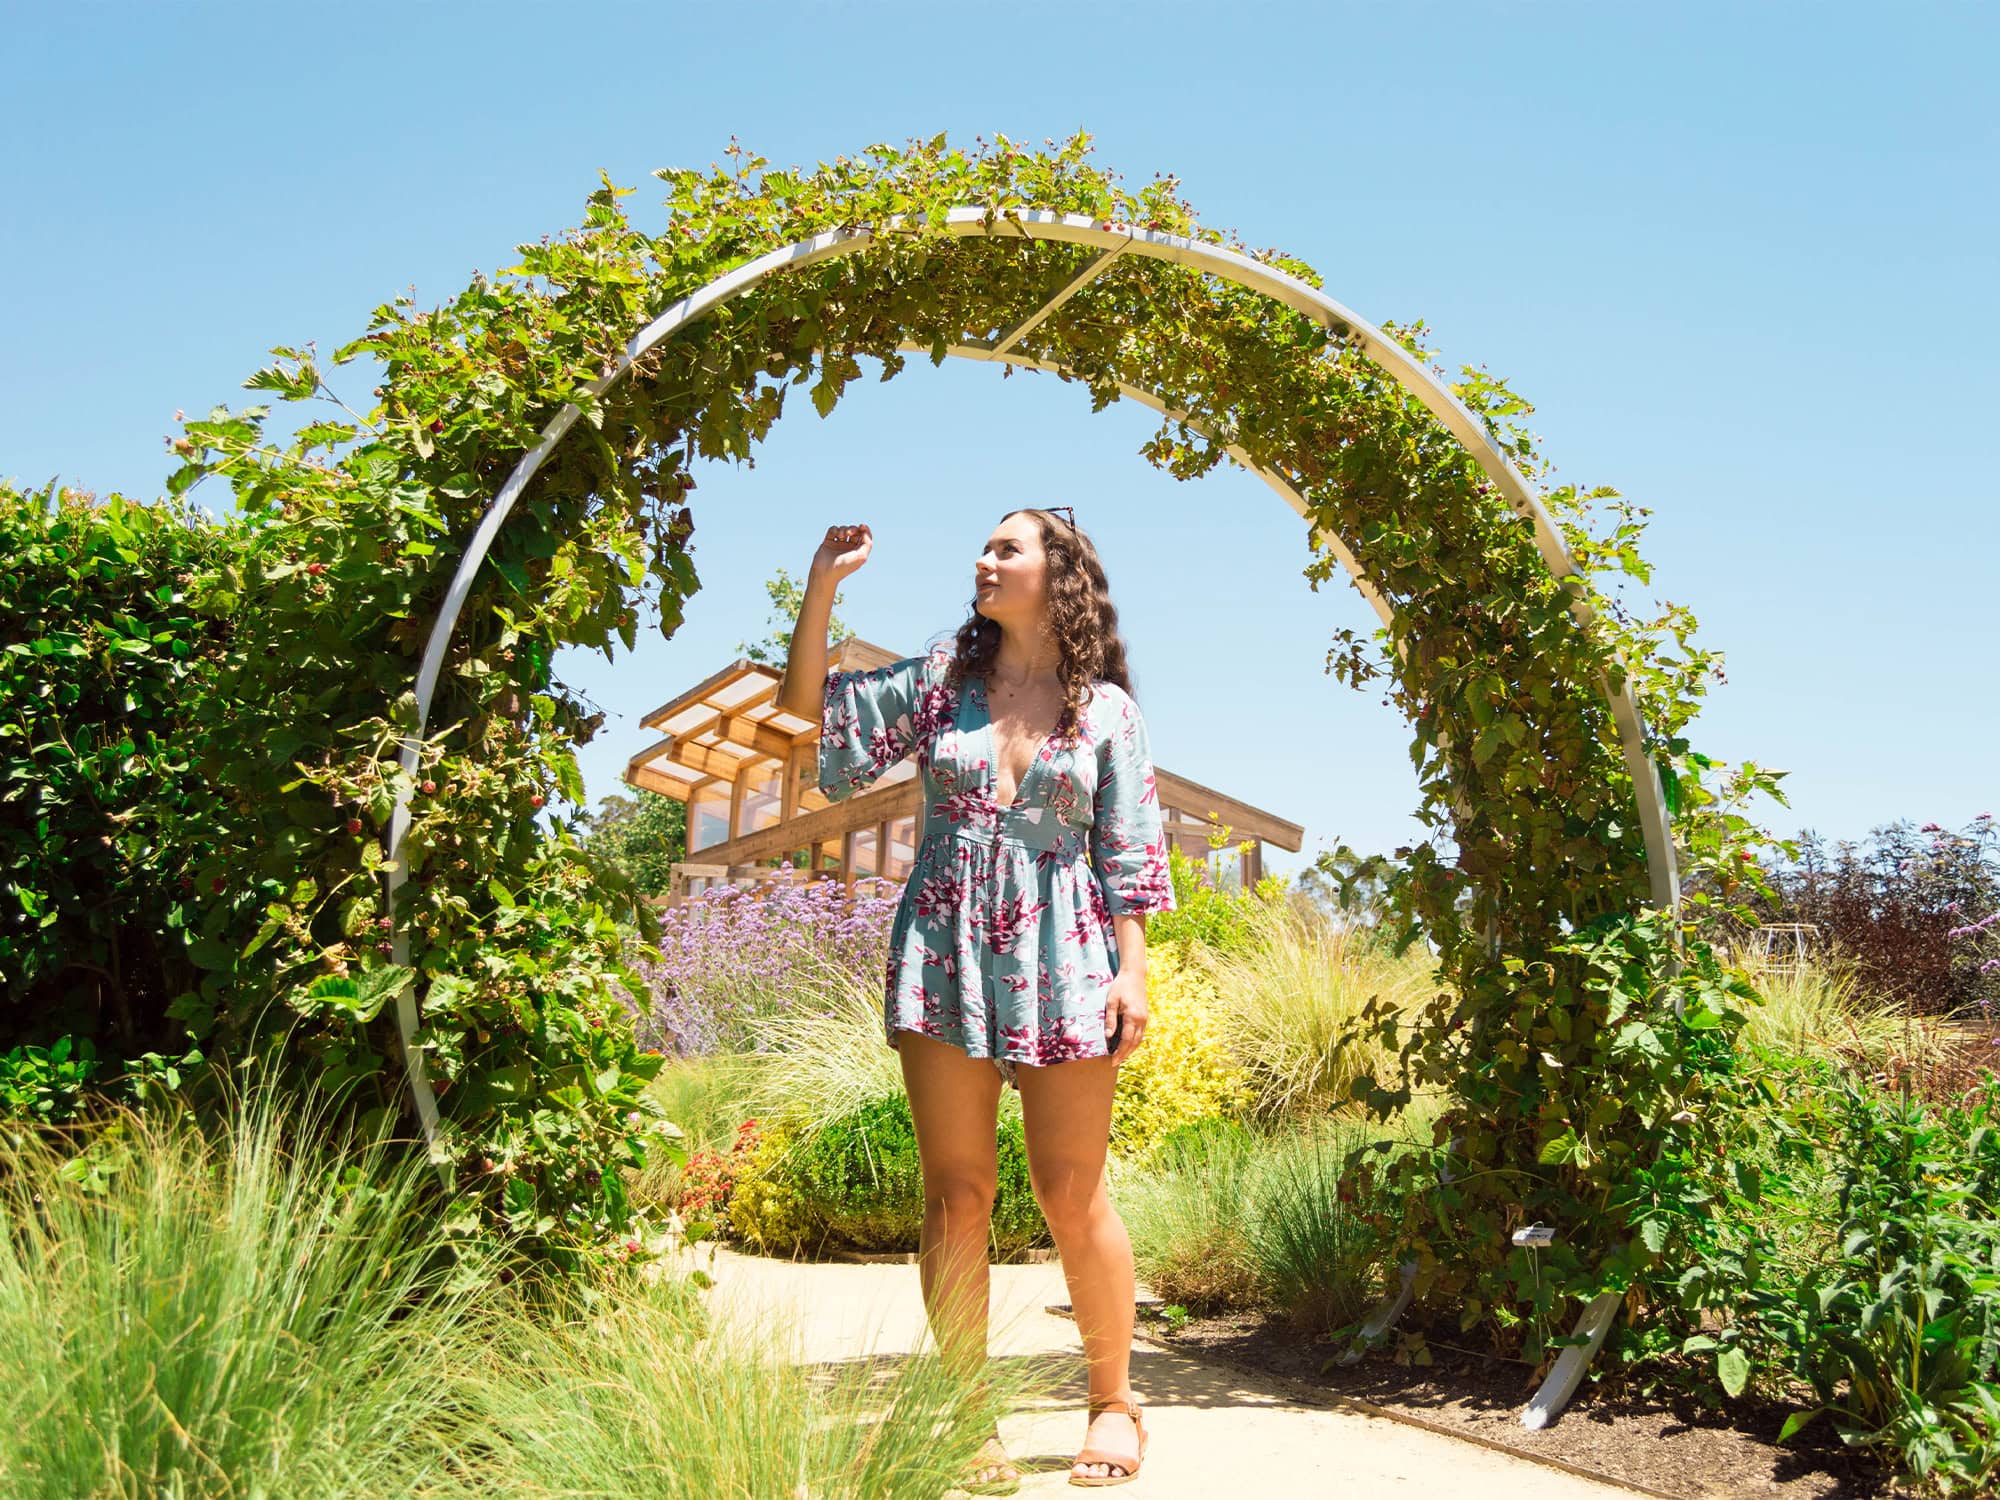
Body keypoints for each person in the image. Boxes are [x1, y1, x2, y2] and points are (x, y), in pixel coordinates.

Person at [775, 508, 1175, 1490]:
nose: (983, 560)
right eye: (983, 548)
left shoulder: (1106, 712)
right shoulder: (938, 684)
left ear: (1059, 574)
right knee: (956, 1197)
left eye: (1006, 548)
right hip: (943, 948)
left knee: (1069, 1195)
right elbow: (810, 727)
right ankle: (965, 1419)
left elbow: (1126, 851)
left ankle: (1112, 1404)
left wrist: (1132, 969)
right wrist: (822, 587)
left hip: (1065, 951)